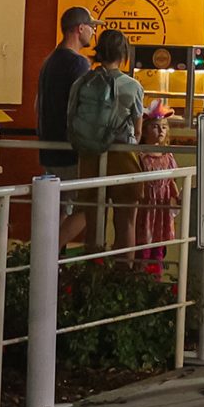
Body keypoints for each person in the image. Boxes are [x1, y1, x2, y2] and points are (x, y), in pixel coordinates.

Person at [68, 27, 145, 263]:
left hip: (89, 155)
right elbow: (139, 130)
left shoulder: (82, 82)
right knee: (125, 222)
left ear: (99, 52)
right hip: (122, 157)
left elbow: (70, 117)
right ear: (124, 54)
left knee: (93, 222)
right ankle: (123, 276)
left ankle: (93, 275)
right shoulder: (132, 86)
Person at [36, 6, 97, 248]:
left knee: (58, 205)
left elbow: (37, 103)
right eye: (91, 27)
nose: (93, 32)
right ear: (79, 28)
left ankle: (48, 263)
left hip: (48, 145)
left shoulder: (48, 60)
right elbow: (85, 107)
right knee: (90, 204)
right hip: (70, 148)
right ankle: (47, 252)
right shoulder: (79, 64)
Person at [135, 101, 180, 265]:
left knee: (159, 248)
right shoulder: (141, 156)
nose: (161, 130)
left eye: (164, 127)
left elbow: (171, 181)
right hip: (146, 207)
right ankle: (141, 278)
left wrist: (178, 197)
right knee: (143, 248)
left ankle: (156, 277)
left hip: (162, 207)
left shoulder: (168, 156)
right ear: (145, 130)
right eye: (155, 126)